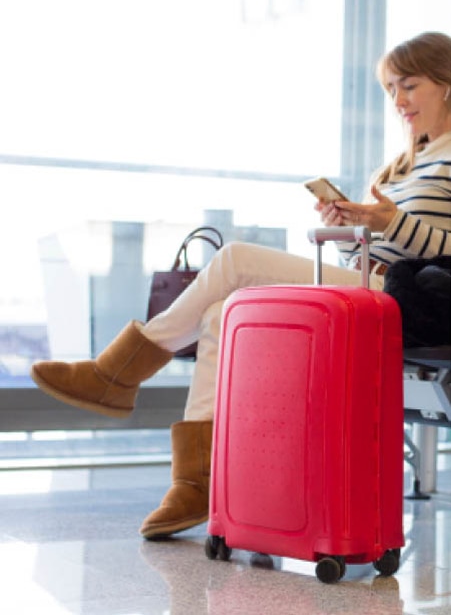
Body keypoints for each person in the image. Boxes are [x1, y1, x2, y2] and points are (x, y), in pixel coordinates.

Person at [31, 31, 451, 540]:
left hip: (414, 300)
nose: (398, 102)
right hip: (374, 285)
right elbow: (374, 252)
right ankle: (195, 482)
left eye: (408, 86)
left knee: (234, 260)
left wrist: (391, 225)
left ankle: (115, 374)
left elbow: (438, 252)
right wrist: (350, 228)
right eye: (390, 90)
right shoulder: (406, 164)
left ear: (446, 84)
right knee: (218, 315)